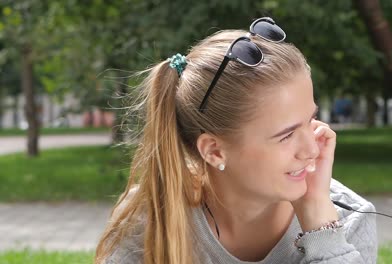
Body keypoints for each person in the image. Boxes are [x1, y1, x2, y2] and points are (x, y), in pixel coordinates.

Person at [95, 17, 377, 264]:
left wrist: (321, 229)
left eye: (310, 121)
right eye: (287, 135)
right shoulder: (150, 220)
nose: (312, 149)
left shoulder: (347, 218)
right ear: (215, 151)